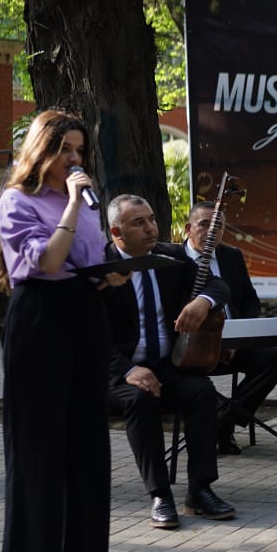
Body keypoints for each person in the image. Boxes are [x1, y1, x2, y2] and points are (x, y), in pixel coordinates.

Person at [0, 109, 111, 552]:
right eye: (65, 150)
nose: (74, 159)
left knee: (87, 437)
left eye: (80, 151)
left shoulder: (86, 202)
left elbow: (88, 260)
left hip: (84, 313)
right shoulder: (16, 201)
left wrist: (111, 273)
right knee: (37, 441)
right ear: (42, 150)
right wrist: (73, 204)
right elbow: (48, 259)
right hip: (39, 316)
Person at [101, 195, 236, 528]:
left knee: (201, 391)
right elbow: (87, 335)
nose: (150, 228)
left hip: (164, 365)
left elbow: (219, 285)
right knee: (141, 398)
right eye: (139, 223)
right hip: (115, 372)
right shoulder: (100, 268)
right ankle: (160, 494)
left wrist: (204, 301)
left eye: (151, 219)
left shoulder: (170, 257)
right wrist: (128, 370)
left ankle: (200, 490)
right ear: (116, 231)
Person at [183, 201, 277, 454]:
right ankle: (219, 425)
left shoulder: (231, 256)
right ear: (188, 228)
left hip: (234, 345)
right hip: (192, 348)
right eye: (204, 224)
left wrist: (239, 339)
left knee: (274, 359)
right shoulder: (176, 260)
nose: (212, 231)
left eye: (218, 226)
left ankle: (223, 421)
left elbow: (251, 301)